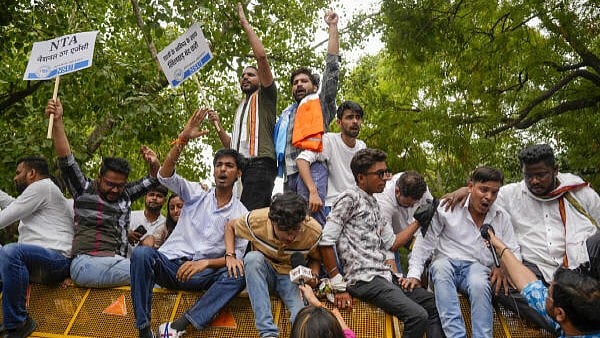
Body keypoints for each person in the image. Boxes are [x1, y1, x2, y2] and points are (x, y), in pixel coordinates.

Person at [444, 144, 600, 332]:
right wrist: (466, 191)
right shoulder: (510, 195)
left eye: (541, 175)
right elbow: (483, 196)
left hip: (581, 270)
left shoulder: (580, 192)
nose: (534, 181)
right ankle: (561, 327)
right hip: (534, 270)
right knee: (496, 282)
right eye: (528, 176)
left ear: (555, 170)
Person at [130, 108, 248, 338]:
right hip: (171, 265)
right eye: (219, 165)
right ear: (213, 171)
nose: (223, 169)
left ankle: (179, 326)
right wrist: (182, 139)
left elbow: (236, 259)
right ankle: (144, 331)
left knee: (238, 274)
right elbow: (164, 176)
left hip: (202, 275)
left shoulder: (241, 214)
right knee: (142, 255)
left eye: (229, 166)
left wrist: (204, 264)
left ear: (238, 174)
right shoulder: (196, 193)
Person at [319, 149, 443, 338]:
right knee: (418, 316)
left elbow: (392, 243)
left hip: (384, 275)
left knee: (433, 305)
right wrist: (338, 285)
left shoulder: (374, 204)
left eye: (385, 172)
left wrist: (418, 221)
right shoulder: (349, 198)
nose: (385, 178)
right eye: (379, 174)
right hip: (363, 279)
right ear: (361, 177)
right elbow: (325, 242)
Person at [45, 98, 160, 288]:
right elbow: (66, 160)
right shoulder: (84, 189)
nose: (115, 189)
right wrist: (57, 121)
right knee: (151, 275)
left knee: (155, 274)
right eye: (110, 184)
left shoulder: (125, 195)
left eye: (120, 185)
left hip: (119, 263)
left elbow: (154, 179)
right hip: (88, 263)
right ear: (99, 178)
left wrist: (155, 164)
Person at [403, 166, 520, 338]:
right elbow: (424, 243)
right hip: (446, 263)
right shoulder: (447, 207)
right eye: (483, 190)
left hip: (477, 267)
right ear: (470, 187)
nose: (489, 197)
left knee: (480, 283)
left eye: (494, 192)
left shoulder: (501, 216)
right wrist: (413, 274)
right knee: (440, 268)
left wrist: (503, 265)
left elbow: (514, 251)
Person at [208, 3, 277, 211]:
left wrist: (244, 23)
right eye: (243, 75)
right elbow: (232, 145)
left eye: (251, 74)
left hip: (259, 165)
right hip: (240, 169)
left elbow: (261, 57)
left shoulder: (265, 97)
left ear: (260, 78)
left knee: (247, 217)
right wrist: (217, 125)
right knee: (238, 215)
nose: (245, 77)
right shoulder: (241, 107)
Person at [224, 192, 322, 338]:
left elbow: (316, 258)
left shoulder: (313, 231)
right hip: (264, 272)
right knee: (252, 259)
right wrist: (230, 255)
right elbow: (230, 227)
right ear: (272, 222)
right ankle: (268, 334)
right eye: (286, 231)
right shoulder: (256, 220)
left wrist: (313, 276)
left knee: (300, 314)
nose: (291, 237)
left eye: (295, 230)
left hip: (291, 276)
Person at [0, 156, 74, 338]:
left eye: (18, 173)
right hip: (33, 262)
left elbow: (6, 216)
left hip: (56, 261)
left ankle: (18, 324)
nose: (15, 178)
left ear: (32, 173)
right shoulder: (39, 195)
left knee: (11, 251)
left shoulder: (42, 187)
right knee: (9, 253)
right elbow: (13, 204)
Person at [485, 230, 600, 337]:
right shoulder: (571, 323)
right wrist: (501, 248)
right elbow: (529, 284)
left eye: (548, 296)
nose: (544, 294)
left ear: (560, 313)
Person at [275, 10, 340, 192]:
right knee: (289, 221)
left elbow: (332, 69)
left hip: (313, 169)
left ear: (314, 86)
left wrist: (333, 27)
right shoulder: (286, 114)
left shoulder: (320, 103)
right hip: (289, 176)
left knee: (311, 220)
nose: (299, 85)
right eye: (295, 83)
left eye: (304, 81)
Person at [296, 101, 366, 225]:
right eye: (349, 117)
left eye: (358, 118)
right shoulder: (329, 140)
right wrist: (313, 192)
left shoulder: (362, 146)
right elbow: (302, 160)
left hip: (355, 209)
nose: (355, 121)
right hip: (332, 206)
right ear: (339, 123)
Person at [374, 171, 432, 273]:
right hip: (389, 239)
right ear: (397, 191)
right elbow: (389, 244)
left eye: (415, 204)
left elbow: (432, 209)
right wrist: (418, 222)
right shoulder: (383, 200)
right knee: (395, 277)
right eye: (407, 204)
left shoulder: (421, 188)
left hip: (416, 234)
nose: (411, 206)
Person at [127, 185, 168, 256]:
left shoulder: (166, 224)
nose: (154, 198)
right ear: (145, 197)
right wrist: (126, 234)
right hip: (124, 262)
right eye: (151, 195)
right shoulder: (130, 216)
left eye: (159, 196)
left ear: (165, 201)